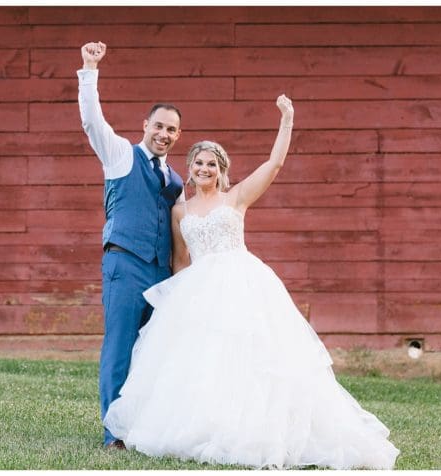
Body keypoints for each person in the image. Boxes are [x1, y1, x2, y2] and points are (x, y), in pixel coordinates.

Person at [102, 95, 400, 469]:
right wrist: (174, 312)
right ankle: (202, 427)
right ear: (190, 168)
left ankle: (252, 430)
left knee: (250, 360)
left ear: (221, 169)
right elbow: (180, 261)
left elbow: (274, 164)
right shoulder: (180, 209)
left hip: (240, 285)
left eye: (212, 163)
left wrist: (287, 119)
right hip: (197, 292)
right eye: (198, 162)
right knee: (200, 364)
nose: (204, 168)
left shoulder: (237, 198)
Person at [78, 41, 185, 449]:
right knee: (120, 347)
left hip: (161, 272)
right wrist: (90, 70)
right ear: (146, 125)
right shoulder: (120, 155)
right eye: (158, 126)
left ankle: (144, 427)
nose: (164, 134)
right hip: (125, 265)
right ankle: (114, 433)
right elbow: (92, 122)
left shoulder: (176, 180)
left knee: (152, 353)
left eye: (172, 129)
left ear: (179, 135)